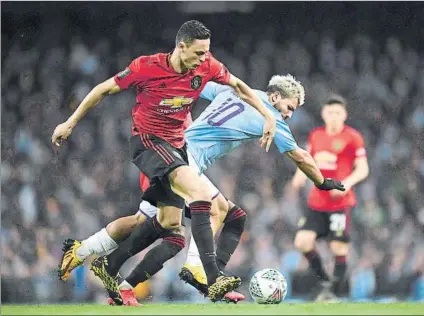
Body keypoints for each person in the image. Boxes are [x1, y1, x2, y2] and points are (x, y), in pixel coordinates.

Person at [57, 76, 345, 305]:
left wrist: (183, 121)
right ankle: (199, 271)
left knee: (154, 227)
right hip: (183, 162)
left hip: (171, 151)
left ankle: (91, 257)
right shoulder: (271, 117)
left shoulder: (230, 91)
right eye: (290, 107)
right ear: (274, 97)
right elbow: (301, 157)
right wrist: (322, 182)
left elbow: (191, 90)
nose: (290, 114)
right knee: (223, 211)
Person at [52, 20, 278, 303]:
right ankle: (212, 277)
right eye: (198, 53)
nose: (203, 58)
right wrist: (70, 123)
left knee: (169, 225)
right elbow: (102, 89)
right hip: (148, 143)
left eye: (207, 52)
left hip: (177, 148)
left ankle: (102, 263)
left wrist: (269, 116)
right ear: (180, 47)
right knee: (201, 198)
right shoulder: (146, 67)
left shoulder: (206, 66)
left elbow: (239, 86)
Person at [290, 96, 369, 301]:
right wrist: (299, 176)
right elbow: (309, 160)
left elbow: (363, 169)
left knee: (338, 247)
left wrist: (347, 184)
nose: (333, 117)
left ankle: (334, 293)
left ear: (344, 115)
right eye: (330, 113)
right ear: (324, 114)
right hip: (316, 202)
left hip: (340, 204)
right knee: (302, 242)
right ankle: (324, 279)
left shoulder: (353, 137)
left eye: (337, 113)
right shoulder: (316, 135)